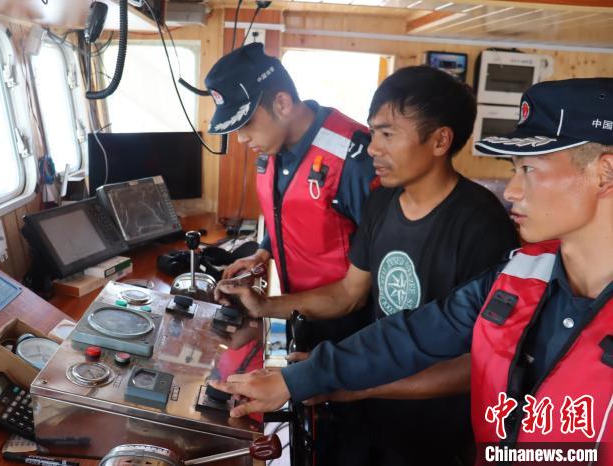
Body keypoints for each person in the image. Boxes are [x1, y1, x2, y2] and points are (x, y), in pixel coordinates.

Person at [212, 78, 613, 465]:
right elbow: (414, 334)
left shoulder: (484, 226)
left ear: (605, 172)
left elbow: (472, 365)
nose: (511, 191)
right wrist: (303, 377)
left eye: (530, 169)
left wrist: (340, 383)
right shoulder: (524, 272)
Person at [205, 42, 377, 346]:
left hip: (350, 335)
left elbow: (378, 266)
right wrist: (262, 253)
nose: (241, 138)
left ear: (282, 104)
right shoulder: (272, 147)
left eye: (246, 123)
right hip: (298, 315)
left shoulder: (355, 160)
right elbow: (289, 214)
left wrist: (266, 306)